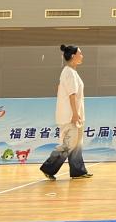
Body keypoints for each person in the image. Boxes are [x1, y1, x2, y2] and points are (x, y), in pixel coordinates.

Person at [39, 44, 92, 180]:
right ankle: (48, 168)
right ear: (73, 56)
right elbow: (71, 95)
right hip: (70, 115)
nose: (82, 56)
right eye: (80, 53)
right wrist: (74, 114)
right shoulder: (69, 72)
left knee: (77, 143)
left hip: (75, 114)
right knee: (69, 143)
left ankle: (78, 171)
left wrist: (78, 114)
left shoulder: (71, 72)